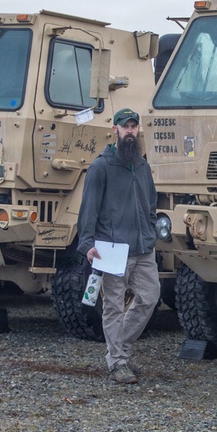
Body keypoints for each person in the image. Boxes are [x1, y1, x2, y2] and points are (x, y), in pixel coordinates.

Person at [76, 107, 160, 384]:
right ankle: (117, 362)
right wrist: (87, 243)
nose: (130, 132)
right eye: (125, 127)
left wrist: (150, 233)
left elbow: (150, 205)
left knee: (149, 297)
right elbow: (88, 208)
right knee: (112, 306)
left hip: (143, 248)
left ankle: (119, 349)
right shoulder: (101, 165)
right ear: (115, 130)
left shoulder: (143, 165)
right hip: (111, 250)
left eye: (134, 127)